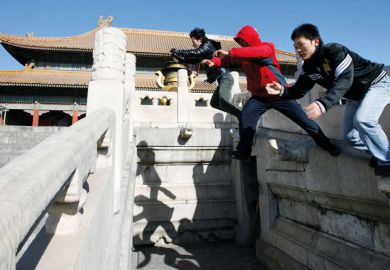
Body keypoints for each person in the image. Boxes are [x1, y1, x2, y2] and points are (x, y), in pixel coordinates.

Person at [266, 23, 390, 176]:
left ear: (315, 41)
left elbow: (345, 79)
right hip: (356, 96)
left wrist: (322, 104)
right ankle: (378, 153)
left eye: (301, 45)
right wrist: (282, 90)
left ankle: (387, 159)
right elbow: (300, 89)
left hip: (376, 83)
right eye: (295, 46)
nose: (297, 50)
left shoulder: (335, 51)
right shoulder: (309, 68)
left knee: (363, 120)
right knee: (349, 136)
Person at [202, 25, 340, 161]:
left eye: (243, 41)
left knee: (305, 120)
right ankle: (244, 152)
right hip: (259, 97)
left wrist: (231, 52)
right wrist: (214, 62)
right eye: (240, 42)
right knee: (246, 118)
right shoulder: (243, 54)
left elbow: (252, 53)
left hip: (279, 94)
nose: (242, 44)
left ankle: (326, 144)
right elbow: (229, 60)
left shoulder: (267, 47)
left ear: (250, 39)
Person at [171, 27, 241, 119]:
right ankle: (239, 115)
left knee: (223, 102)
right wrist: (179, 57)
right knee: (214, 103)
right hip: (221, 79)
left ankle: (241, 115)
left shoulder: (207, 44)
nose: (193, 45)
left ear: (199, 39)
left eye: (193, 42)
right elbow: (192, 59)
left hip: (225, 77)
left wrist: (178, 51)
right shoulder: (203, 52)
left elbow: (196, 52)